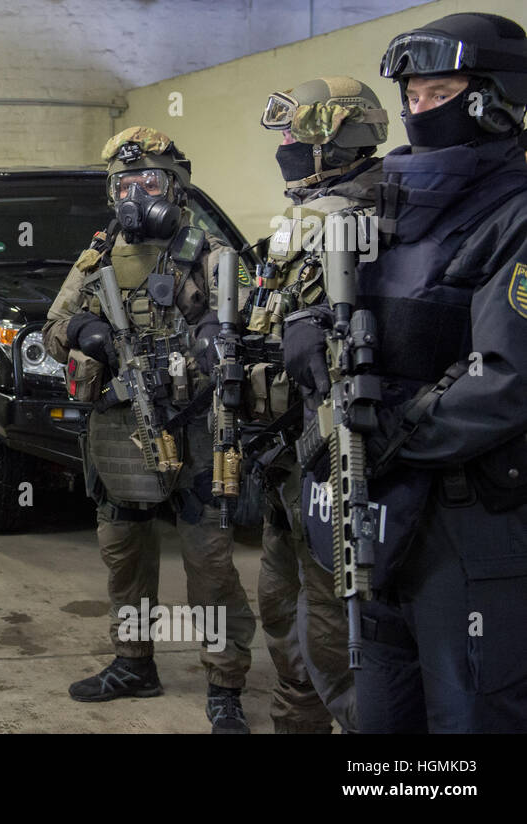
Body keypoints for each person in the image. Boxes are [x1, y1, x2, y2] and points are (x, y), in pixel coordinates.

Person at [283, 11, 527, 732]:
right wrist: (307, 325)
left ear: (496, 98)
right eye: (412, 96)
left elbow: (506, 377)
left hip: (470, 521)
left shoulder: (514, 213)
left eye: (440, 93)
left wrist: (394, 431)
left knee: (470, 714)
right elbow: (336, 294)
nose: (420, 110)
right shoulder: (389, 200)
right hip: (381, 510)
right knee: (381, 717)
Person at [43, 127, 257, 733]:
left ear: (176, 188)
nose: (134, 196)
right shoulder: (98, 256)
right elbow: (53, 328)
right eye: (123, 185)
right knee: (123, 553)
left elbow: (247, 322)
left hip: (196, 428)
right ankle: (134, 663)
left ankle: (225, 685)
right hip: (122, 428)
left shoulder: (207, 252)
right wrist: (84, 333)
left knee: (209, 563)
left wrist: (216, 334)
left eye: (149, 183)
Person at [248, 76, 389, 733]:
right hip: (284, 453)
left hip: (336, 456)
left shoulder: (377, 213)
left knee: (333, 623)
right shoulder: (303, 219)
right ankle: (295, 722)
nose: (282, 146)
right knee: (280, 604)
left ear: (335, 142)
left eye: (292, 135)